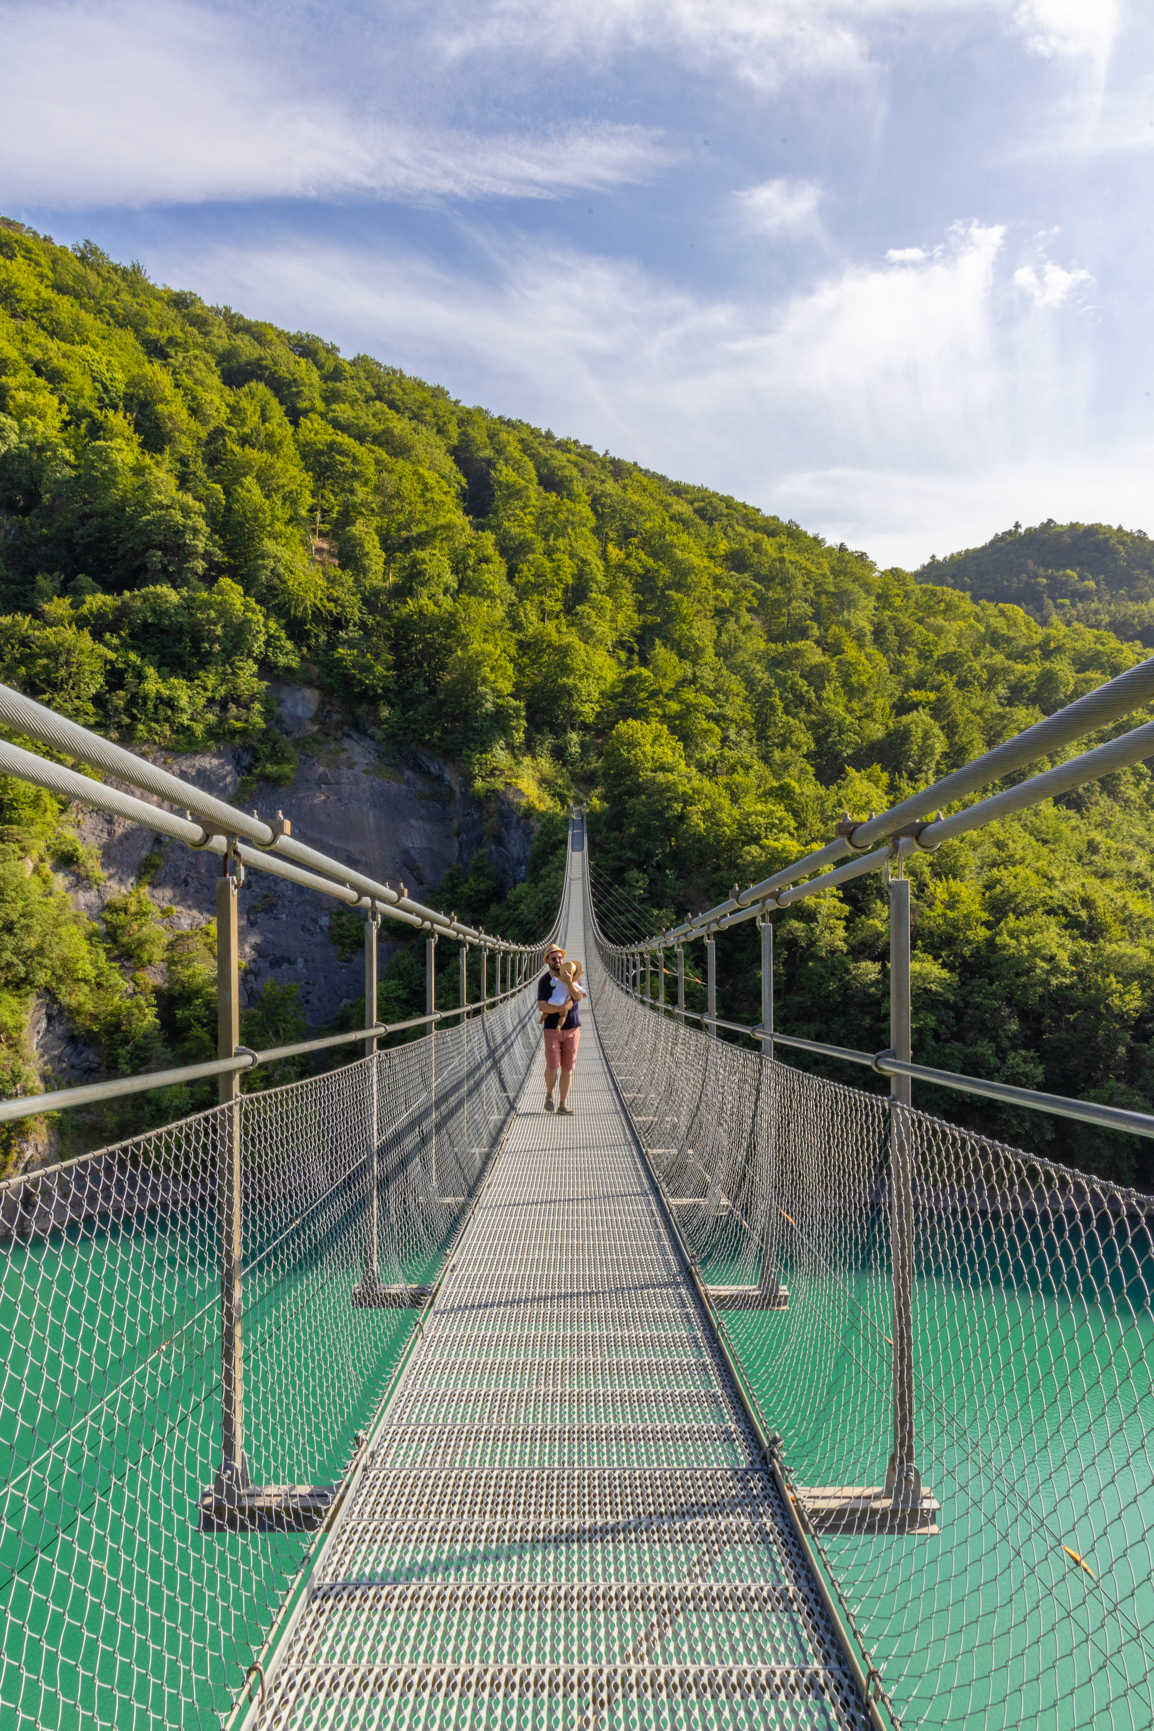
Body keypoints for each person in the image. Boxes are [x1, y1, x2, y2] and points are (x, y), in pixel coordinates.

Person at [538, 946, 585, 1115]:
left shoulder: (573, 975)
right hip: (552, 1029)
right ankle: (549, 1094)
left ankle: (563, 1104)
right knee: (552, 1067)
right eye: (554, 958)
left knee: (567, 1068)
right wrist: (562, 1008)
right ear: (547, 961)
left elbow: (578, 997)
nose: (558, 961)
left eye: (560, 958)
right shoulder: (545, 981)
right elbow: (542, 1006)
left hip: (572, 1028)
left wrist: (569, 982)